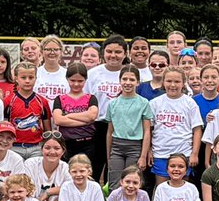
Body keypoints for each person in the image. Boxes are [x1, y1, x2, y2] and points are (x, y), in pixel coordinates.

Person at [148, 67, 203, 185]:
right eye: (169, 81)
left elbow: (197, 130)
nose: (173, 85)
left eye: (177, 81)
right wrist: (149, 150)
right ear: (163, 82)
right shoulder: (155, 103)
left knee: (182, 189)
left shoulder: (190, 103)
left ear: (184, 83)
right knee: (161, 189)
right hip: (160, 153)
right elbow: (149, 129)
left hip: (183, 153)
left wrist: (194, 154)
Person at [104, 64, 152, 190]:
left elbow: (147, 131)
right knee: (114, 184)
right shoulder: (113, 103)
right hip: (117, 147)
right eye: (124, 79)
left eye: (132, 79)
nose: (128, 83)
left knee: (132, 182)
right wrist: (108, 156)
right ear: (120, 81)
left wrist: (143, 156)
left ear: (137, 82)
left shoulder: (143, 103)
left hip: (135, 147)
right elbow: (109, 132)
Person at [86, 34, 128, 179]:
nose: (113, 55)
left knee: (118, 168)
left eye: (118, 52)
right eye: (109, 51)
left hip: (123, 126)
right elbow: (85, 100)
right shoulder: (92, 74)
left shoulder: (129, 73)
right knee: (95, 165)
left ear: (125, 53)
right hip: (98, 125)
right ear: (103, 53)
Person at [4, 61, 52, 161]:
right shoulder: (8, 101)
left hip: (36, 148)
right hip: (14, 147)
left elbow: (48, 130)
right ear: (16, 79)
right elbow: (4, 126)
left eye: (31, 77)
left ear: (36, 78)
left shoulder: (42, 101)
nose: (27, 81)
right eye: (23, 77)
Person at [53, 61, 98, 161]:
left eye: (80, 81)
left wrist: (67, 116)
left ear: (85, 80)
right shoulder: (60, 99)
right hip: (67, 144)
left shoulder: (91, 98)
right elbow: (58, 120)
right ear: (67, 79)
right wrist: (85, 121)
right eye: (72, 80)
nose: (76, 84)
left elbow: (91, 116)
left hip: (87, 143)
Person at [24, 131, 70, 201]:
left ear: (63, 151)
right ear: (41, 149)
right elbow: (26, 191)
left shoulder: (66, 168)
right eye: (47, 148)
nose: (52, 152)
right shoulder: (30, 164)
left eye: (56, 148)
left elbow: (72, 187)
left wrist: (48, 192)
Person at [34, 35, 69, 106]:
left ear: (61, 51)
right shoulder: (35, 73)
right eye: (48, 49)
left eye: (56, 49)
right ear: (41, 52)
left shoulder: (68, 74)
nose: (52, 52)